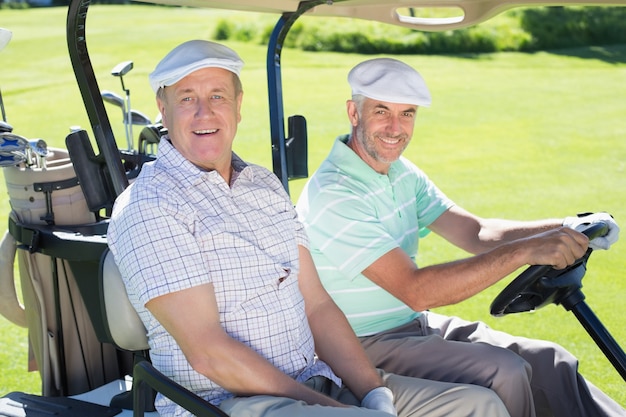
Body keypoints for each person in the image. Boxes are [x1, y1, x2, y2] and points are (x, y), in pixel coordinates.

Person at [107, 41, 511, 417]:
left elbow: (316, 303)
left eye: (217, 97)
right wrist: (332, 409)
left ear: (238, 106)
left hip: (316, 382)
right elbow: (209, 354)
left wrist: (374, 393)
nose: (205, 113)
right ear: (162, 108)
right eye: (187, 99)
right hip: (228, 403)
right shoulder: (150, 207)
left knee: (478, 405)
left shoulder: (262, 185)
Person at [296, 57, 625, 417]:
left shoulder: (401, 173)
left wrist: (563, 227)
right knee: (506, 371)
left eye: (407, 113)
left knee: (550, 360)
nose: (395, 127)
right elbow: (417, 289)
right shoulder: (335, 193)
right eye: (381, 111)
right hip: (363, 343)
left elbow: (476, 232)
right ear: (353, 113)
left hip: (416, 327)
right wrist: (523, 252)